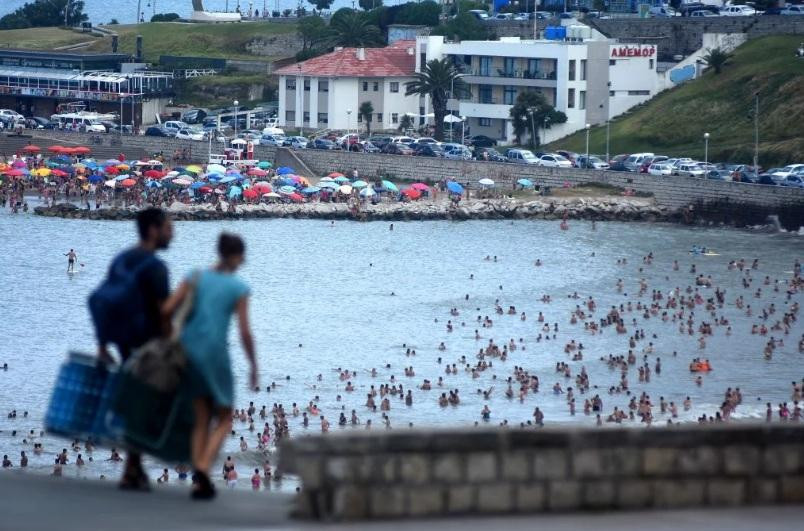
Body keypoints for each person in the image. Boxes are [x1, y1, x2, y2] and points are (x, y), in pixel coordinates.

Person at [163, 233, 257, 500]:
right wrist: (253, 366)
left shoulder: (194, 276)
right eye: (242, 257)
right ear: (237, 256)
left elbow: (167, 310)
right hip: (215, 355)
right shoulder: (238, 288)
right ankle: (203, 469)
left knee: (200, 417)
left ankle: (198, 481)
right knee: (225, 418)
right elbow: (245, 333)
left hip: (186, 353)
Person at [94, 208, 173, 491]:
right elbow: (164, 314)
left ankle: (134, 467)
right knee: (149, 404)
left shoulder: (121, 259)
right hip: (148, 344)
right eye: (167, 227)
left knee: (137, 403)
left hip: (122, 340)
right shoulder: (156, 268)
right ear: (153, 230)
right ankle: (131, 469)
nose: (172, 232)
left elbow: (103, 299)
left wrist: (102, 344)